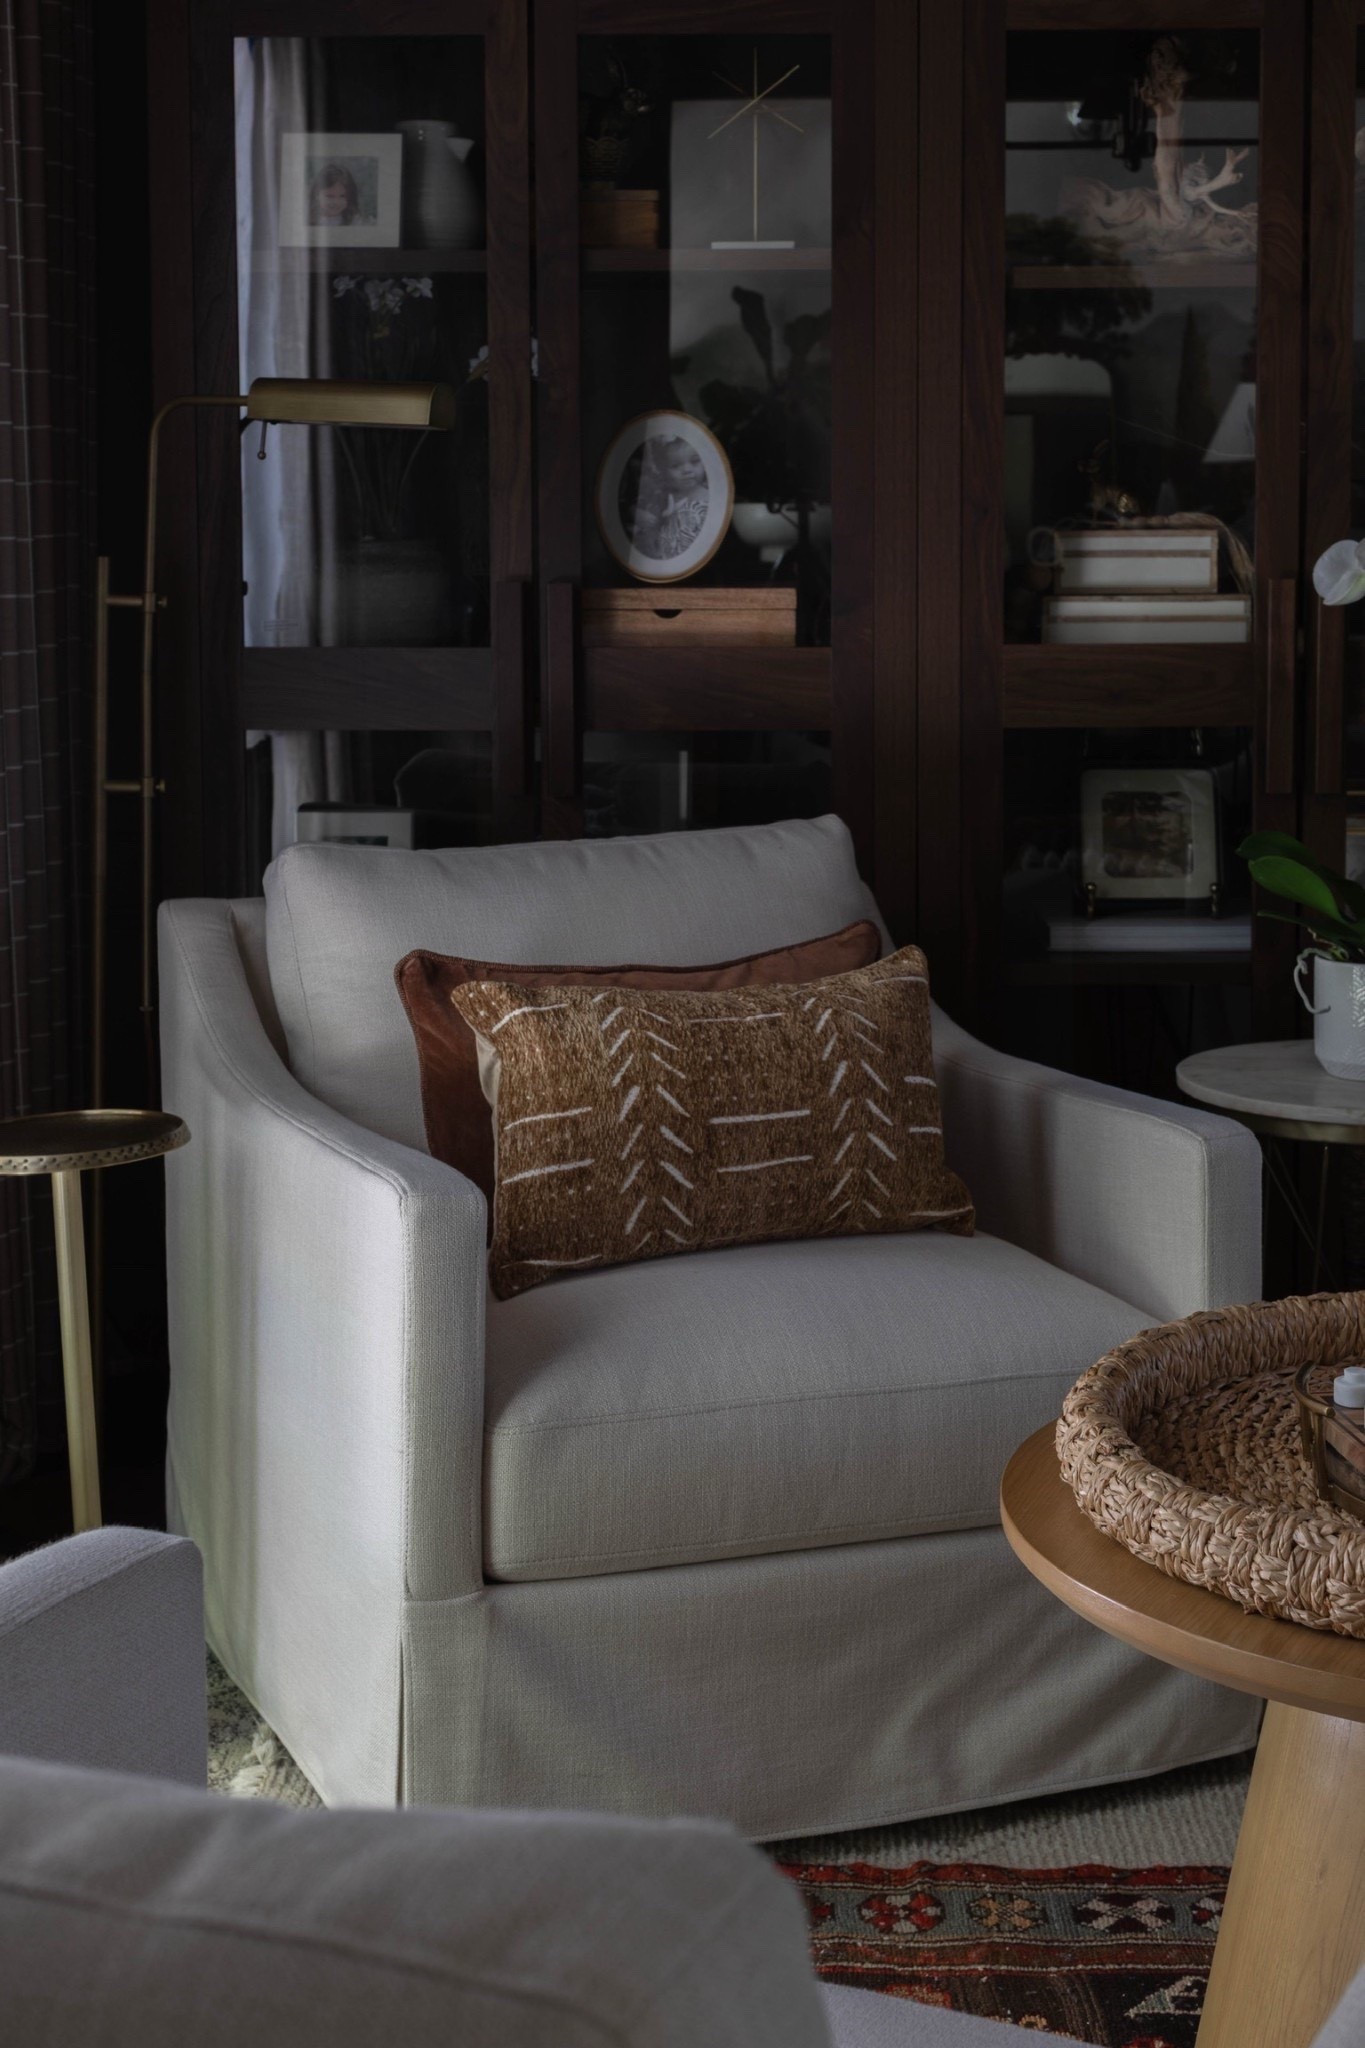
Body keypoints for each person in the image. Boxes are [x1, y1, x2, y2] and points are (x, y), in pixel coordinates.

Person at [626, 436, 709, 561]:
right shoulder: (662, 495)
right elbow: (636, 510)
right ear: (664, 472)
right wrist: (637, 513)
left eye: (695, 461)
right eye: (675, 466)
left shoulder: (711, 498)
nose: (687, 470)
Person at [309, 161, 363, 228]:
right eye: (329, 196)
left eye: (342, 196)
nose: (336, 202)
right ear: (316, 195)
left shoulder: (353, 222)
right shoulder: (307, 220)